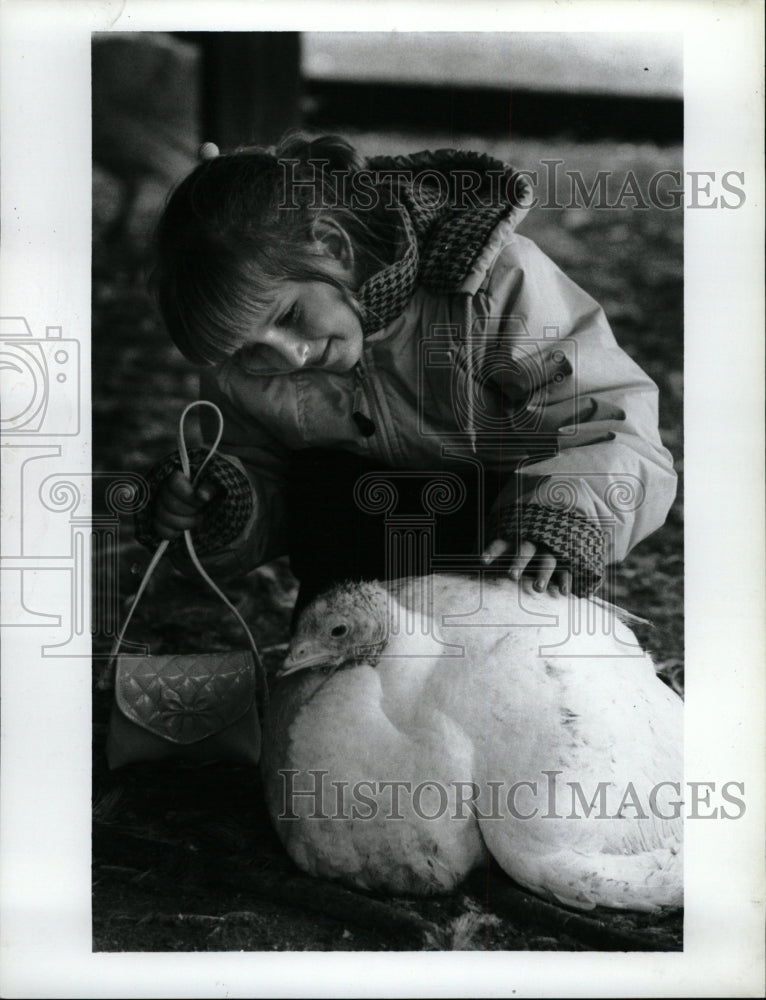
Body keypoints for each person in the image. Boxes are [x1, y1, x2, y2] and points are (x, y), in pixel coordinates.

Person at [136, 133, 677, 613]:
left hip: (503, 560)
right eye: (250, 350)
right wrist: (217, 505)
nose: (288, 356)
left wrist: (559, 517)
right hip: (356, 584)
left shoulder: (491, 287)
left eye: (289, 317)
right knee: (319, 484)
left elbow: (612, 421)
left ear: (332, 247)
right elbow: (261, 472)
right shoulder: (245, 368)